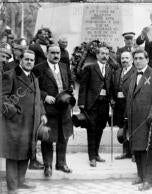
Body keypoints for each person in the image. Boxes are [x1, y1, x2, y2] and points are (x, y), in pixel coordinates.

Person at [1, 49, 46, 194]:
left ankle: (21, 182)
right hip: (15, 123)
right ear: (20, 60)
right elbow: (3, 98)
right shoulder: (10, 75)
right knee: (13, 154)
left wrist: (43, 113)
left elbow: (38, 98)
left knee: (26, 152)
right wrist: (15, 114)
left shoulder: (34, 77)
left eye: (32, 60)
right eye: (26, 59)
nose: (29, 62)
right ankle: (12, 187)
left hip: (31, 123)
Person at [126, 49, 152, 191]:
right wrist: (127, 116)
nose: (137, 61)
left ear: (147, 60)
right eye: (135, 58)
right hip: (133, 119)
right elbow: (130, 98)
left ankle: (149, 180)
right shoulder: (133, 75)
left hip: (148, 120)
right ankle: (140, 176)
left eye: (140, 58)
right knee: (136, 148)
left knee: (146, 150)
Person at [33, 44, 74, 178]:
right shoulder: (39, 68)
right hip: (49, 109)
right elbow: (35, 87)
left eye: (58, 53)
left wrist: (69, 94)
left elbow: (70, 82)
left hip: (64, 109)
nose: (56, 55)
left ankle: (61, 164)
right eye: (52, 53)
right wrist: (45, 96)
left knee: (64, 137)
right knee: (48, 138)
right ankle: (48, 166)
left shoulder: (64, 66)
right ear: (47, 54)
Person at [78, 43, 114, 166]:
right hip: (92, 104)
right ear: (97, 55)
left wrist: (112, 100)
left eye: (107, 54)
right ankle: (91, 157)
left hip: (104, 104)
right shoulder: (90, 68)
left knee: (100, 128)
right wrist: (81, 103)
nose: (105, 56)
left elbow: (111, 86)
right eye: (102, 54)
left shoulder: (109, 69)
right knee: (91, 129)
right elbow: (83, 87)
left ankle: (96, 154)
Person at [113, 51, 136, 159]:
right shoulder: (118, 71)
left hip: (131, 104)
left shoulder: (135, 71)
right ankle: (125, 152)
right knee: (123, 128)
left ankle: (134, 153)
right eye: (122, 58)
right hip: (119, 105)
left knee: (132, 128)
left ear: (131, 59)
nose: (124, 60)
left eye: (127, 58)